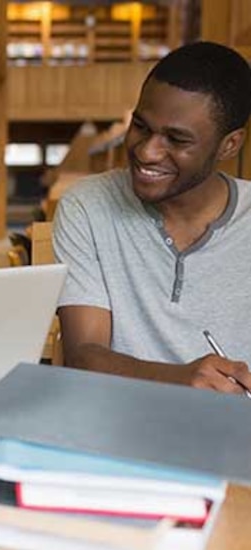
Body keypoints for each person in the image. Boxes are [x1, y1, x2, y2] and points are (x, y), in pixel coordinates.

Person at [53, 41, 251, 395]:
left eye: (177, 140)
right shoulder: (88, 206)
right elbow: (83, 355)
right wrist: (180, 379)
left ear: (230, 145)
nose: (147, 151)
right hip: (120, 426)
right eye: (141, 127)